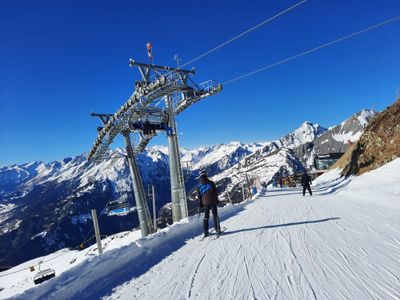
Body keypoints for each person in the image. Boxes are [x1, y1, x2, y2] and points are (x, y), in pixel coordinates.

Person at [196, 171, 221, 237]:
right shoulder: (211, 183)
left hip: (205, 203)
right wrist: (217, 200)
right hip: (213, 202)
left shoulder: (199, 186)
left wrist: (200, 204)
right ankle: (217, 230)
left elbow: (199, 196)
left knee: (206, 216)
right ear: (206, 175)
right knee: (215, 215)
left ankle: (205, 231)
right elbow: (215, 193)